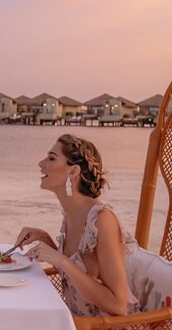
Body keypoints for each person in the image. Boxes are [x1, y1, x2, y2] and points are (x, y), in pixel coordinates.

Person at [13, 134, 137, 318]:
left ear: (73, 172)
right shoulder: (71, 213)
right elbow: (78, 275)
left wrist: (61, 260)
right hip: (74, 323)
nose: (41, 163)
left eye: (51, 158)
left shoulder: (102, 220)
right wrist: (45, 238)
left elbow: (118, 305)